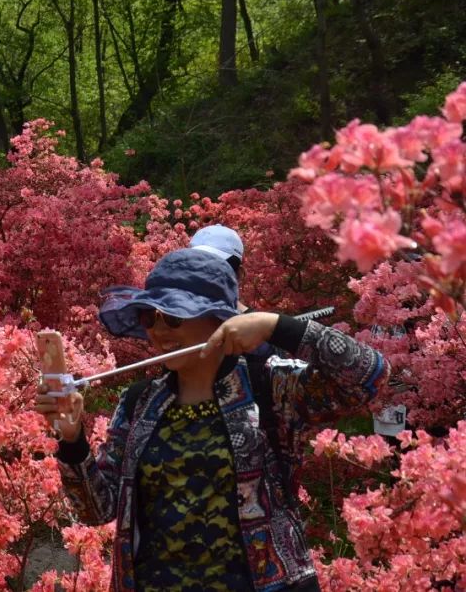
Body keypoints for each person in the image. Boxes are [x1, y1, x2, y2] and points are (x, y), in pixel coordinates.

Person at [33, 248, 388, 592]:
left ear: (218, 319)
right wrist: (72, 438)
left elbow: (368, 375)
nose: (158, 331)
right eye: (148, 317)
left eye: (172, 316)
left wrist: (275, 326)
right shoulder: (139, 401)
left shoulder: (273, 387)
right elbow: (97, 509)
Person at [190, 223, 250, 312]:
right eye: (195, 264)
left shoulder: (259, 325)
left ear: (238, 275)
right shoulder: (177, 321)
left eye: (213, 267)